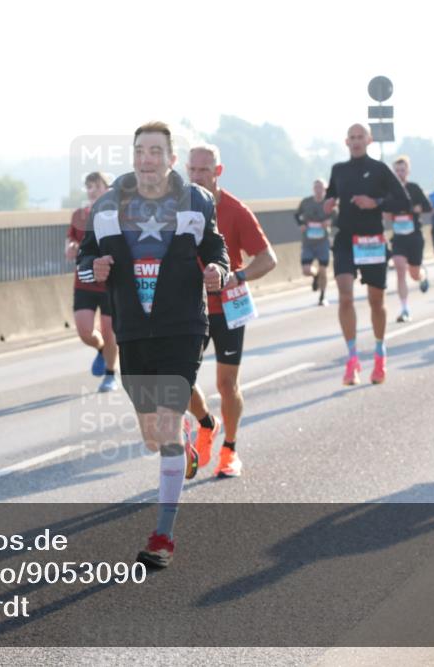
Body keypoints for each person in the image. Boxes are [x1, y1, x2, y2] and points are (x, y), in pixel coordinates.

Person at [77, 121, 229, 568]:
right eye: (141, 151)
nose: (148, 159)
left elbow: (215, 247)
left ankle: (162, 536)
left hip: (182, 323)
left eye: (156, 152)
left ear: (171, 159)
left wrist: (217, 271)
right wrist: (95, 267)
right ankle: (184, 430)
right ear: (133, 157)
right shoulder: (107, 205)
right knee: (153, 434)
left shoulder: (195, 199)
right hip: (132, 329)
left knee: (163, 431)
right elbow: (86, 257)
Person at [185, 144, 277, 478]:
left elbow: (268, 259)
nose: (197, 177)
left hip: (227, 307)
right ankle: (206, 423)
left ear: (217, 171)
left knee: (227, 384)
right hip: (188, 307)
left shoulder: (236, 211)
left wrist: (236, 276)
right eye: (192, 170)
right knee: (179, 380)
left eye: (204, 170)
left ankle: (229, 450)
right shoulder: (176, 208)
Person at [323, 123, 410, 386]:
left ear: (369, 140)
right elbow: (331, 197)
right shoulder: (338, 170)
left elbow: (403, 201)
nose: (357, 141)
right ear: (346, 142)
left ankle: (380, 352)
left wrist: (376, 203)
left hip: (372, 240)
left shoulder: (380, 169)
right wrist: (328, 203)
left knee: (376, 300)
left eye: (361, 137)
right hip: (345, 239)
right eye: (352, 137)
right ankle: (352, 359)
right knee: (345, 297)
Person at [66, 171, 118, 392]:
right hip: (85, 281)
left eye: (97, 186)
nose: (92, 191)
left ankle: (110, 374)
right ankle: (101, 349)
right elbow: (72, 240)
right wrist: (70, 246)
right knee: (85, 331)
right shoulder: (79, 215)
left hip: (109, 282)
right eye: (89, 187)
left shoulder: (117, 214)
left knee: (108, 329)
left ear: (108, 189)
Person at [387, 156, 432, 323]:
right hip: (398, 237)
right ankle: (405, 308)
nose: (400, 173)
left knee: (413, 274)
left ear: (408, 171)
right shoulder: (389, 191)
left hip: (414, 237)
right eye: (397, 170)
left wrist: (417, 208)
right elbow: (384, 210)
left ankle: (422, 276)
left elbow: (428, 207)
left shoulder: (414, 188)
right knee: (400, 269)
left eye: (402, 170)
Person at [295, 179, 333, 306]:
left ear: (325, 189)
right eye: (316, 187)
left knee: (323, 270)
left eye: (321, 187)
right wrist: (301, 224)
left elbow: (337, 216)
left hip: (323, 242)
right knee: (306, 270)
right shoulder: (306, 202)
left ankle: (322, 296)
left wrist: (330, 222)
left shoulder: (329, 203)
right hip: (308, 242)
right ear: (313, 189)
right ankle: (314, 275)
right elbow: (296, 215)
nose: (318, 190)